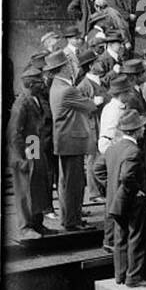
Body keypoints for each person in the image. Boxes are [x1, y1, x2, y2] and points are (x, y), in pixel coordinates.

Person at [92, 109, 146, 286]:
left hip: (114, 202)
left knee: (120, 238)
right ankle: (134, 277)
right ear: (136, 130)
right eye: (142, 127)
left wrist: (112, 187)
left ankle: (120, 276)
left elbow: (97, 169)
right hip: (132, 202)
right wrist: (136, 190)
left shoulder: (113, 148)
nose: (144, 129)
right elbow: (127, 176)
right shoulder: (134, 151)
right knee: (136, 237)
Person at [47, 49, 102, 231]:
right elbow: (90, 105)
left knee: (67, 182)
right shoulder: (67, 90)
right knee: (73, 183)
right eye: (69, 64)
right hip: (72, 141)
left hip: (66, 140)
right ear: (63, 68)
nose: (72, 67)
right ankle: (72, 221)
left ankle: (70, 217)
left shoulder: (57, 85)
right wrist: (97, 99)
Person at [8, 66, 54, 238]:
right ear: (31, 84)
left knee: (37, 186)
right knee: (24, 190)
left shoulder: (35, 98)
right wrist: (22, 156)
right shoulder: (22, 103)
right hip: (24, 150)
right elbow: (14, 132)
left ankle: (37, 223)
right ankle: (25, 227)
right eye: (39, 81)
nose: (43, 83)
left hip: (33, 144)